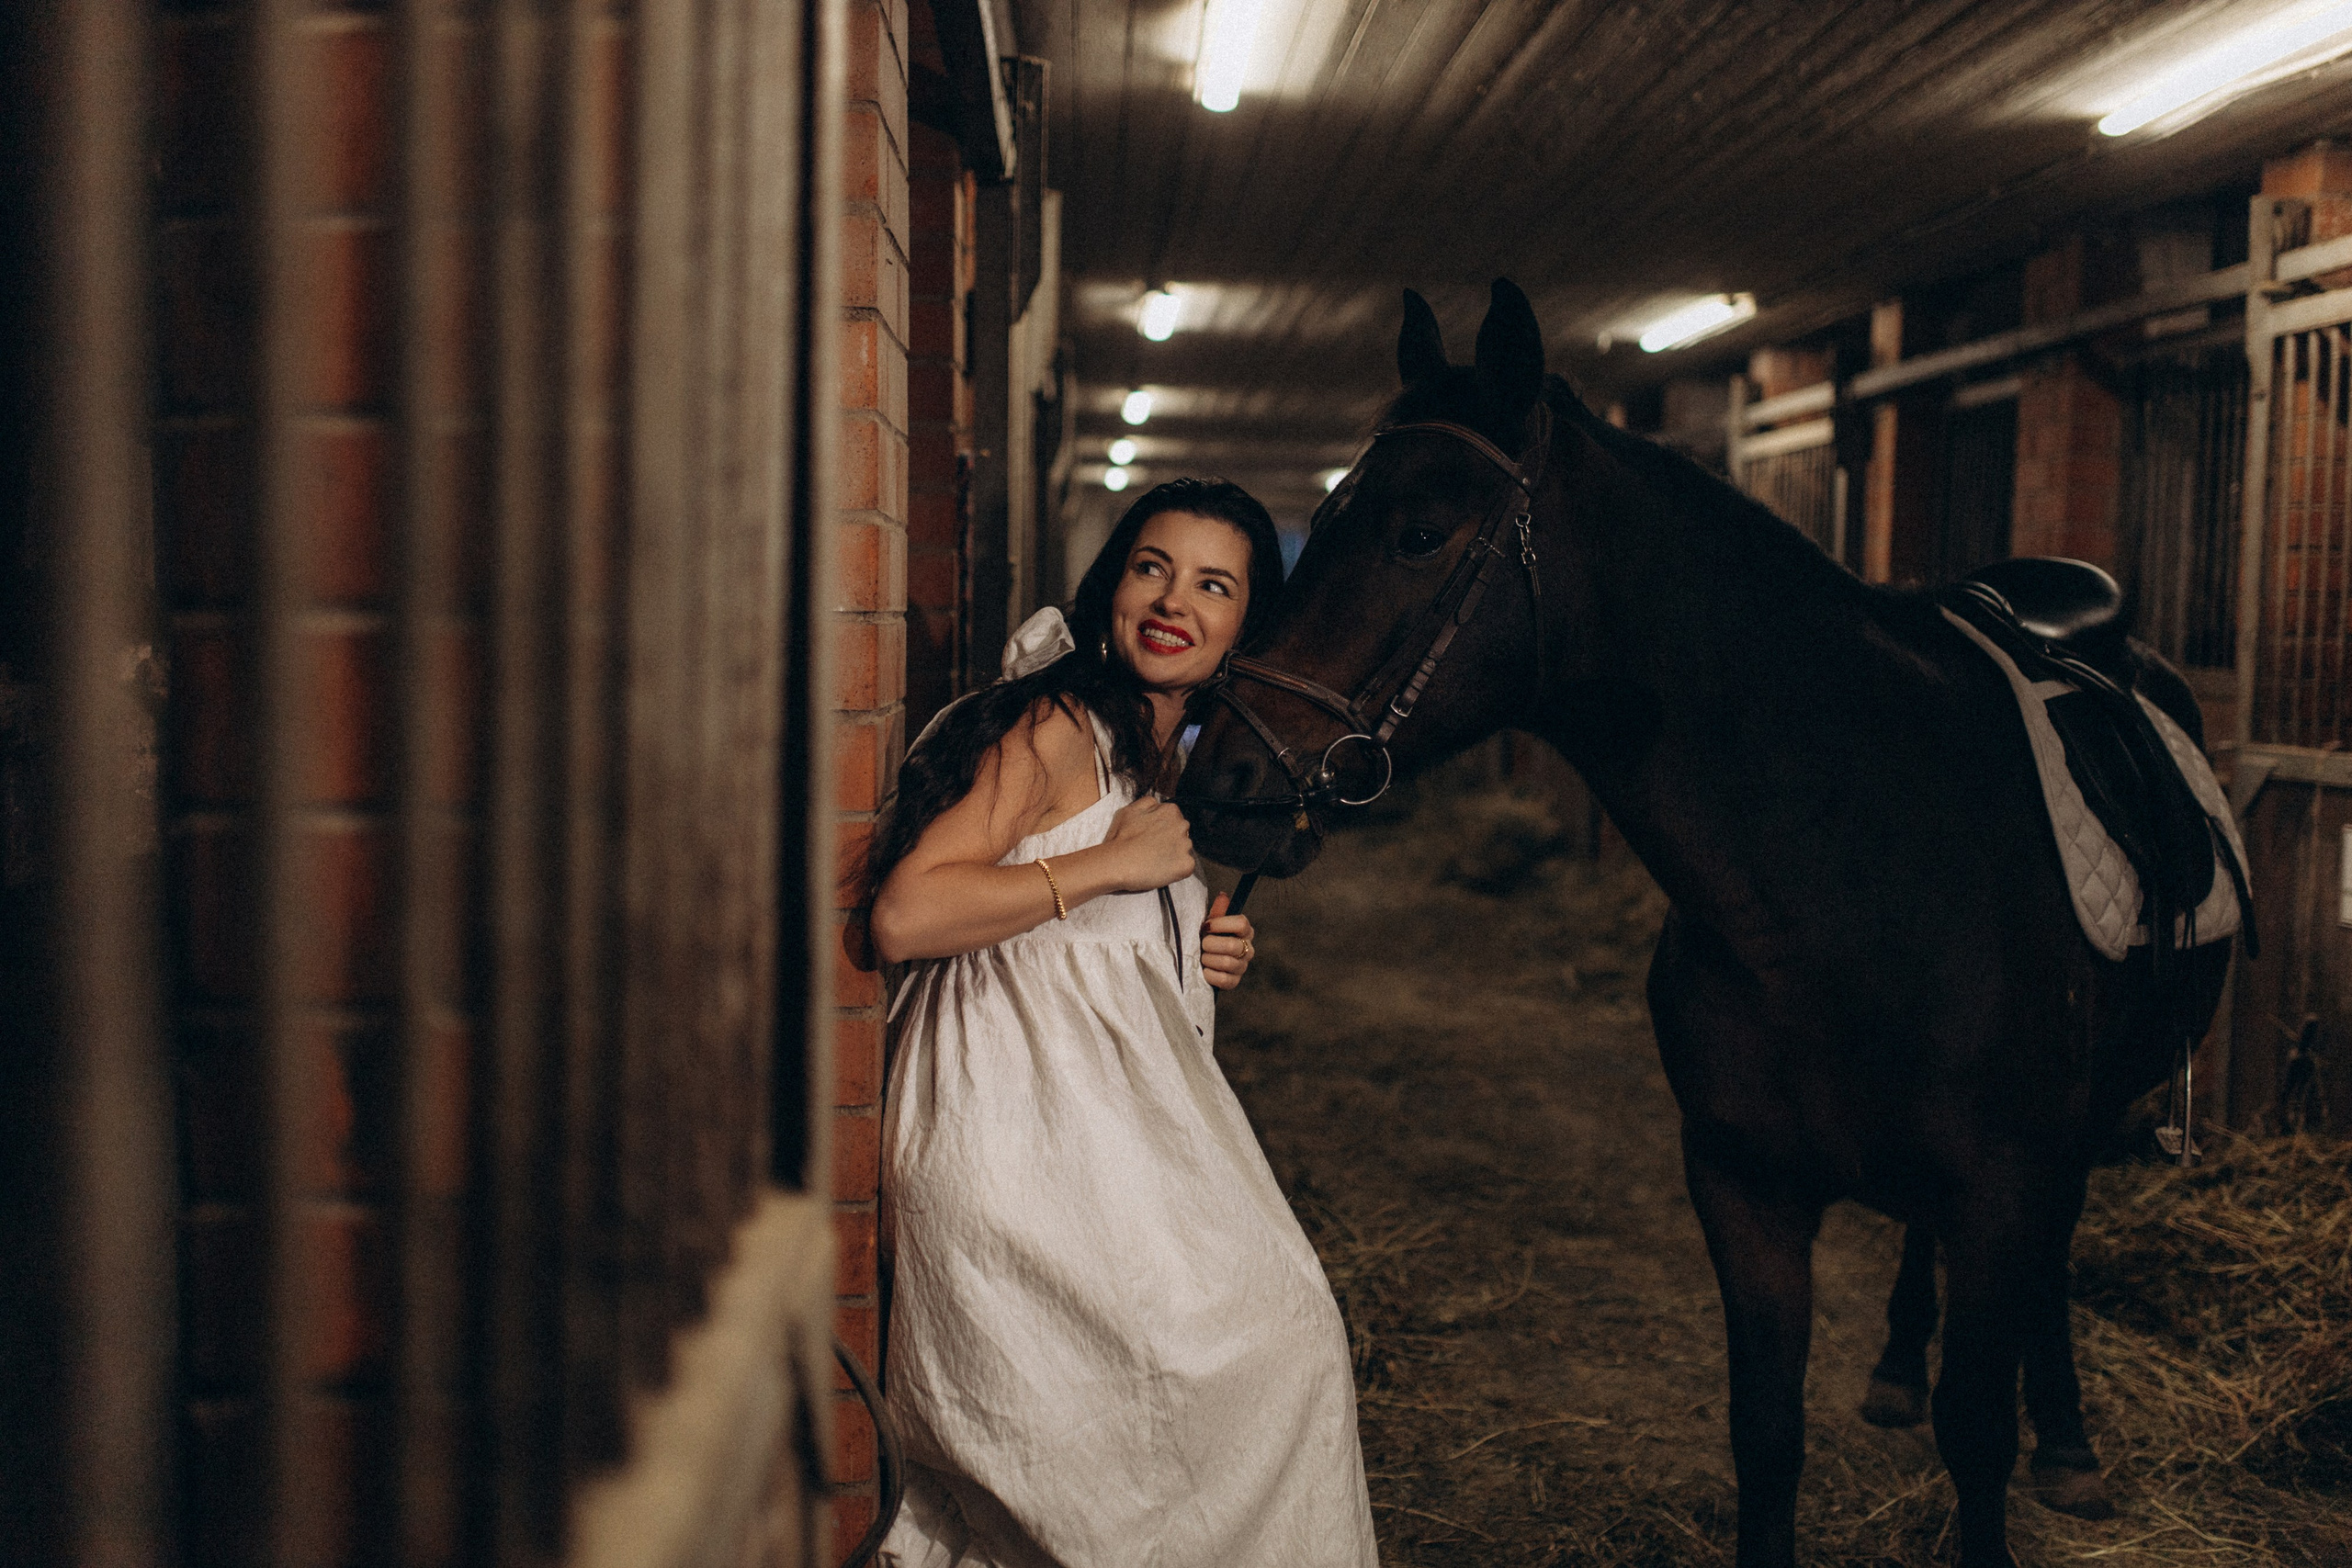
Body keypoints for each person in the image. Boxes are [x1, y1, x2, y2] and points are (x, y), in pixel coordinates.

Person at [861, 478, 1379, 1568]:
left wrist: (1187, 944)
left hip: (1097, 1122)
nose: (1172, 600)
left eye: (1213, 584)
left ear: (1248, 625)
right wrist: (1110, 868)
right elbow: (910, 912)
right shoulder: (1055, 723)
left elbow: (1089, 933)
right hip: (1014, 1131)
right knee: (1244, 1355)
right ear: (1110, 586)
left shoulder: (1157, 747)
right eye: (1151, 567)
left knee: (1279, 1333)